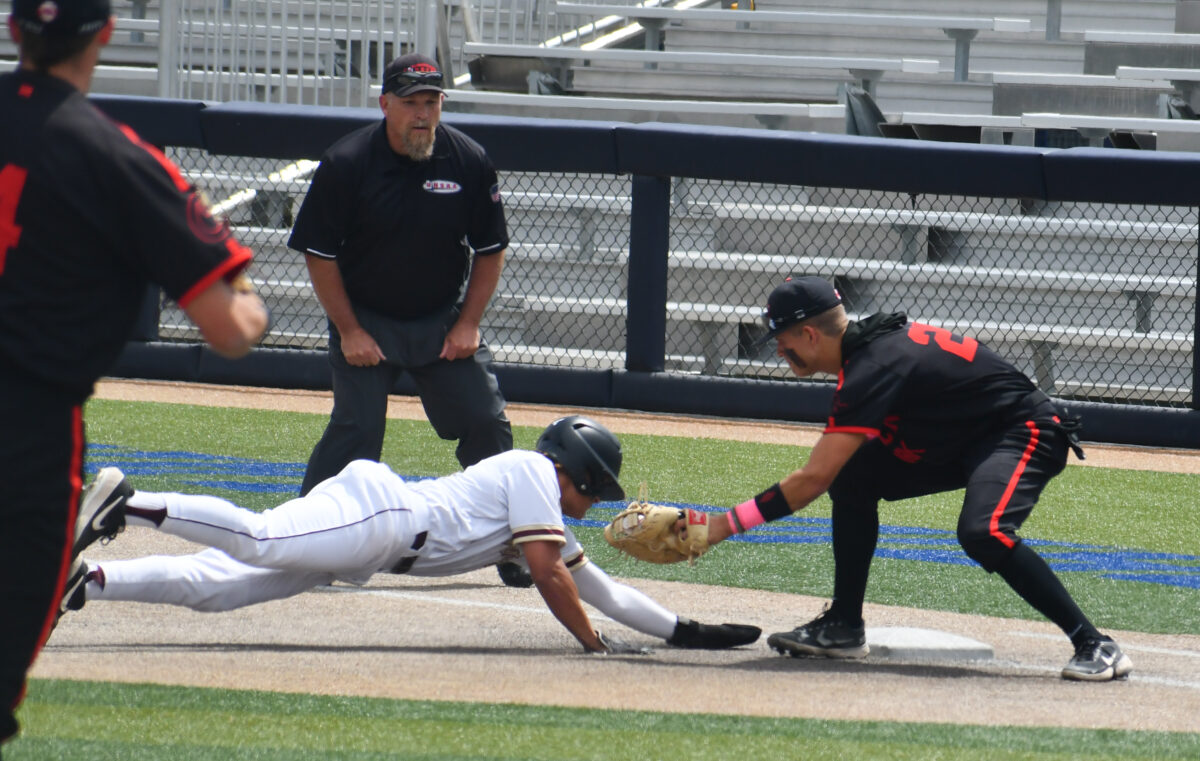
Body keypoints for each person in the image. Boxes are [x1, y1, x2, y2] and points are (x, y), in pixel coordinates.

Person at [0, 0, 270, 748]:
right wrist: (221, 255)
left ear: (16, 29)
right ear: (106, 33)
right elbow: (232, 329)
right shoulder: (117, 156)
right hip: (27, 435)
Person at [696, 276, 1132, 682]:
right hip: (961, 438)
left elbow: (812, 479)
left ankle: (1096, 643)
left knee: (984, 532)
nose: (778, 350)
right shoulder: (868, 352)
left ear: (810, 334)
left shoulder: (873, 365)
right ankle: (844, 626)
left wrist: (720, 527)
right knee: (852, 477)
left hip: (1022, 432)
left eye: (782, 339)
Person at [59, 417, 761, 654]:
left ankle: (88, 582)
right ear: (570, 469)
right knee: (262, 538)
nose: (590, 503)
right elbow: (555, 580)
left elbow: (597, 586)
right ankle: (130, 502)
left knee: (219, 589)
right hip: (381, 513)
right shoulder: (532, 474)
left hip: (377, 538)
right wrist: (593, 645)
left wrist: (684, 631)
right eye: (592, 487)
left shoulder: (534, 515)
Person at [287, 53, 525, 588]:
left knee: (486, 420)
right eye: (411, 102)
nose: (422, 114)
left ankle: (516, 539)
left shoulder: (468, 160)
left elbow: (490, 250)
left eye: (432, 102)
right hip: (366, 319)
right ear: (385, 104)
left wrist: (468, 324)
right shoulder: (347, 162)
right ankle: (305, 540)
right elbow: (319, 254)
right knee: (357, 431)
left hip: (440, 321)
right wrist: (350, 330)